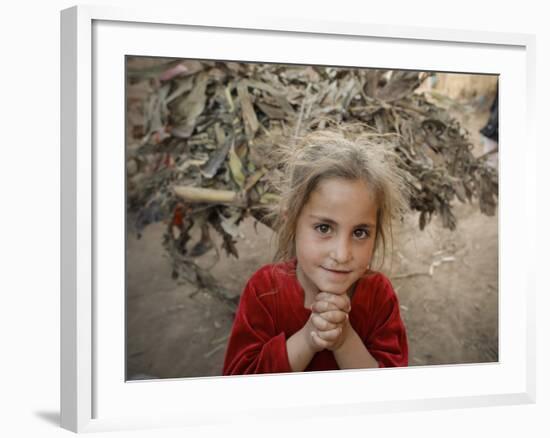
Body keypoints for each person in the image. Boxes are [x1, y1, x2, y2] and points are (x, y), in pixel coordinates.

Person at [222, 129, 409, 375]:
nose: (342, 254)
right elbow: (239, 388)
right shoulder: (264, 290)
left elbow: (392, 393)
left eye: (360, 232)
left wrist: (344, 340)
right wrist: (309, 338)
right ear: (292, 222)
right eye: (324, 228)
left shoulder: (379, 296)